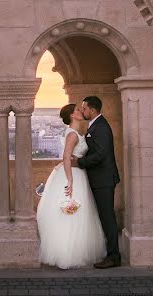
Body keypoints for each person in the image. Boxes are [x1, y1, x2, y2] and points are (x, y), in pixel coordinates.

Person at [36, 103, 106, 269]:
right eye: (77, 110)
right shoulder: (72, 135)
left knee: (76, 213)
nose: (80, 112)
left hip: (77, 174)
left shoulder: (75, 133)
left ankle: (74, 250)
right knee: (72, 213)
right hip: (73, 175)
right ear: (72, 116)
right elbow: (66, 157)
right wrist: (70, 180)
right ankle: (68, 253)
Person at [73, 95, 121, 268]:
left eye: (84, 108)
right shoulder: (96, 125)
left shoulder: (100, 127)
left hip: (104, 179)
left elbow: (100, 155)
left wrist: (79, 162)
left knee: (107, 217)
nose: (82, 110)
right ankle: (110, 253)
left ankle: (114, 257)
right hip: (100, 178)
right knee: (104, 216)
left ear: (92, 110)